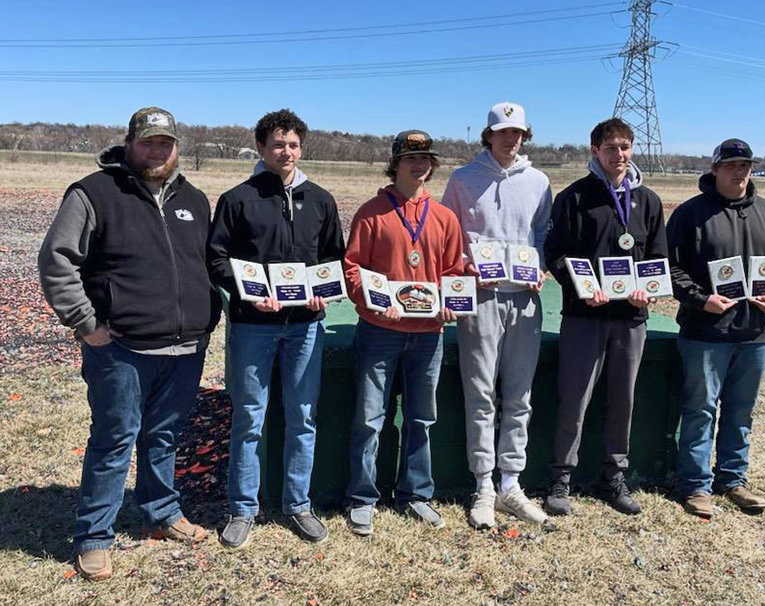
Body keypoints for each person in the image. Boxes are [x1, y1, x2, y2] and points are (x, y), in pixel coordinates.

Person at [38, 107, 221, 581]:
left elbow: (205, 265)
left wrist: (210, 315)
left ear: (177, 146)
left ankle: (161, 512)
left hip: (184, 348)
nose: (157, 150)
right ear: (129, 143)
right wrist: (84, 322)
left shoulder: (195, 199)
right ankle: (94, 536)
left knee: (164, 436)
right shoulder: (94, 193)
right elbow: (58, 260)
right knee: (114, 438)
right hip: (121, 349)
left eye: (165, 142)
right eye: (148, 142)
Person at [206, 109, 344, 547]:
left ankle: (298, 505)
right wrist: (246, 292)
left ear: (301, 149)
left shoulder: (320, 199)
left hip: (305, 325)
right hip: (254, 327)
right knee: (249, 417)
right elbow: (216, 258)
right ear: (262, 148)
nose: (287, 152)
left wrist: (325, 290)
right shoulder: (237, 199)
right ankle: (243, 508)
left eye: (294, 145)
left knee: (303, 417)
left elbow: (332, 259)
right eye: (278, 144)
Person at [667, 138, 765, 519]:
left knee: (741, 411)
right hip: (705, 332)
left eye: (745, 165)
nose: (739, 172)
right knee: (700, 410)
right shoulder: (690, 214)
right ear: (715, 170)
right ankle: (695, 486)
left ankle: (733, 479)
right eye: (731, 165)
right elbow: (670, 268)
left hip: (755, 333)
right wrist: (700, 299)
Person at [342, 130, 464, 535]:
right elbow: (352, 267)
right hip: (380, 330)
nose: (419, 165)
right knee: (369, 418)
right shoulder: (371, 213)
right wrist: (374, 301)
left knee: (422, 418)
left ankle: (416, 494)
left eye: (426, 158)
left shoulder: (444, 216)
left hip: (429, 333)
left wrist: (451, 301)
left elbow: (453, 272)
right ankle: (362, 497)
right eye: (412, 158)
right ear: (395, 163)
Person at [543, 117, 667, 516]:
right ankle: (560, 478)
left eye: (626, 147)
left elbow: (657, 259)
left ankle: (614, 478)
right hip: (585, 316)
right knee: (574, 401)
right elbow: (556, 254)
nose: (620, 155)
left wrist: (644, 289)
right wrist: (581, 286)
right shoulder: (574, 197)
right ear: (594, 150)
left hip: (630, 319)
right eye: (612, 148)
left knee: (623, 400)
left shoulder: (647, 200)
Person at [441, 102, 552, 528]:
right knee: (481, 394)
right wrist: (463, 268)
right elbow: (449, 235)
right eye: (503, 132)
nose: (512, 139)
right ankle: (484, 484)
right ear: (488, 135)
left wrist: (539, 266)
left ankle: (511, 482)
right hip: (482, 299)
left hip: (524, 300)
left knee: (519, 396)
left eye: (519, 132)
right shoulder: (463, 179)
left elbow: (541, 233)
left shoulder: (539, 181)